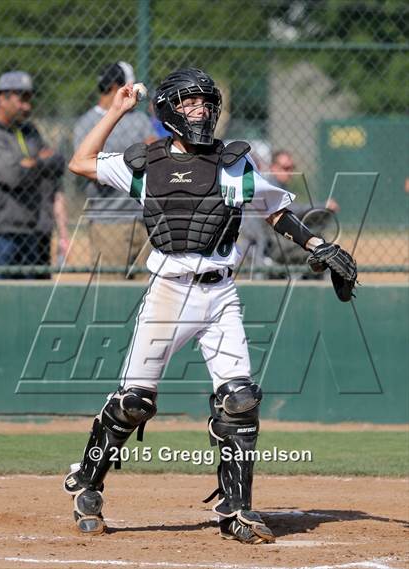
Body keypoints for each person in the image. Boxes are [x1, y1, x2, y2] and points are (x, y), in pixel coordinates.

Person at [63, 68, 354, 543]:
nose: (200, 110)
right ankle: (88, 483)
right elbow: (81, 161)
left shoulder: (233, 162)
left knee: (239, 401)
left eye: (205, 102)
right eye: (189, 103)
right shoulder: (146, 163)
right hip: (167, 293)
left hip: (220, 293)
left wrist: (317, 243)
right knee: (135, 403)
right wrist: (117, 111)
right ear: (167, 111)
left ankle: (236, 510)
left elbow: (276, 208)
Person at [74, 62, 157, 277]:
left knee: (148, 290)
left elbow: (154, 154)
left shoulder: (139, 119)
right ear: (113, 86)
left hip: (144, 217)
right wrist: (135, 157)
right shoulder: (87, 123)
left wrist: (112, 161)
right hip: (108, 220)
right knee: (110, 292)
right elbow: (88, 169)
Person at [0, 71, 67, 279]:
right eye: (21, 99)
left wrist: (31, 164)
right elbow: (12, 175)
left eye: (29, 99)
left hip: (33, 230)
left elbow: (58, 163)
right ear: (1, 98)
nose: (27, 106)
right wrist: (41, 161)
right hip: (0, 231)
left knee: (34, 299)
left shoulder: (30, 131)